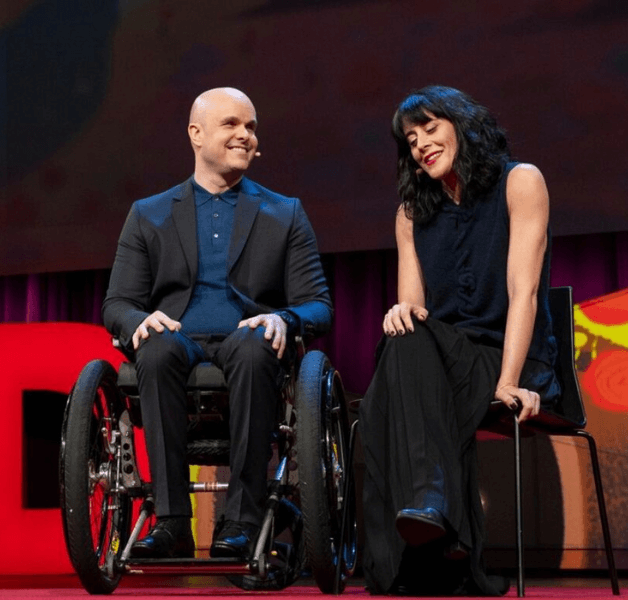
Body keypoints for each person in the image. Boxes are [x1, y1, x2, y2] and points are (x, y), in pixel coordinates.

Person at [102, 87, 332, 559]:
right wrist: (139, 321)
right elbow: (118, 303)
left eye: (250, 127)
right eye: (231, 124)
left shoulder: (284, 212)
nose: (245, 135)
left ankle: (242, 521)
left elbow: (318, 305)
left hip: (245, 341)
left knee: (254, 345)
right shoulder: (149, 214)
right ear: (196, 134)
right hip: (178, 339)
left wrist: (283, 318)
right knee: (157, 347)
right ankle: (171, 523)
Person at [359, 85, 561, 596]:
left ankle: (429, 533)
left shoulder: (520, 182)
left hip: (503, 357)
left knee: (394, 388)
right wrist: (399, 312)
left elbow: (525, 291)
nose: (421, 144)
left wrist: (510, 380)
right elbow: (415, 312)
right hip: (439, 361)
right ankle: (434, 512)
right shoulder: (410, 212)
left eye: (430, 128)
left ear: (462, 125)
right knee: (404, 336)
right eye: (410, 139)